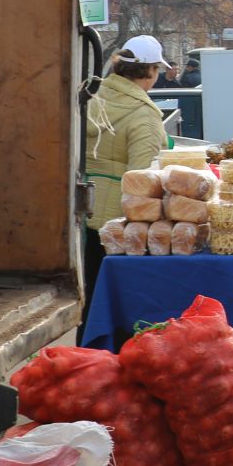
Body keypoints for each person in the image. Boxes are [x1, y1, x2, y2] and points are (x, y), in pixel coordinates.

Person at [82, 36, 172, 311]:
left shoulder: (91, 96)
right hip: (115, 224)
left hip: (80, 210)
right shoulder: (144, 114)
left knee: (88, 297)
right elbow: (143, 180)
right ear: (150, 71)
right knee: (111, 304)